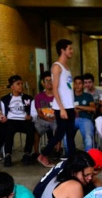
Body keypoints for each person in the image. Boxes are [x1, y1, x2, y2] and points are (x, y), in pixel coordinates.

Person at [38, 39, 76, 168]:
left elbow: (67, 89)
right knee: (61, 133)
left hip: (69, 106)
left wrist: (72, 106)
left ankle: (72, 160)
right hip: (62, 108)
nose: (72, 51)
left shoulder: (66, 67)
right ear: (62, 50)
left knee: (69, 134)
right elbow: (55, 89)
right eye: (69, 48)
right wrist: (62, 108)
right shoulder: (56, 67)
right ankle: (43, 155)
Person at [33, 148, 102, 198]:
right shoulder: (72, 176)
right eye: (90, 174)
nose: (91, 177)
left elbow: (98, 185)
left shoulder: (73, 164)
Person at [0, 75, 36, 167]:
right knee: (7, 130)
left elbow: (33, 113)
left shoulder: (28, 98)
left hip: (24, 120)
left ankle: (27, 153)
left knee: (31, 129)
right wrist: (3, 118)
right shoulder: (5, 99)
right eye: (18, 84)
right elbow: (2, 114)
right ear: (12, 87)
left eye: (21, 84)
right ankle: (8, 155)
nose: (21, 86)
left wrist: (31, 117)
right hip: (11, 120)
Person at [33, 71, 57, 156]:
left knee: (60, 128)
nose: (49, 83)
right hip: (43, 119)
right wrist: (46, 118)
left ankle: (57, 151)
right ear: (43, 83)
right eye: (47, 81)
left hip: (55, 119)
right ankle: (36, 153)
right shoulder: (39, 96)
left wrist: (53, 117)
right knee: (35, 131)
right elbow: (39, 112)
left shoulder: (58, 95)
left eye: (51, 80)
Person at [72, 75, 96, 151]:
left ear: (83, 85)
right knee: (66, 136)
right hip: (71, 119)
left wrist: (79, 107)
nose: (77, 85)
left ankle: (88, 155)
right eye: (75, 83)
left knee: (88, 136)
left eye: (80, 83)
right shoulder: (69, 96)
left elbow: (93, 109)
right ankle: (69, 155)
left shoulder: (88, 96)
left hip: (85, 119)